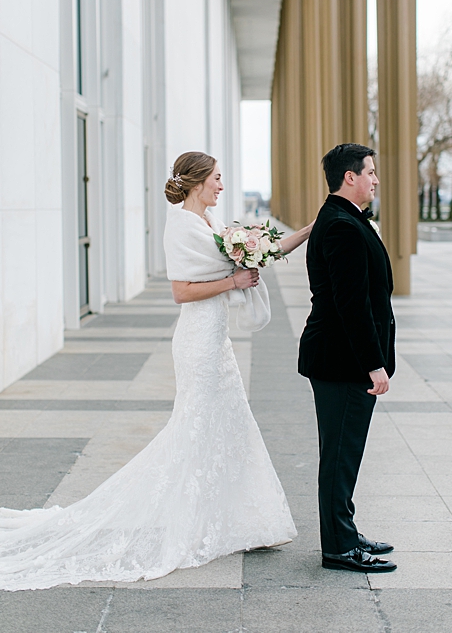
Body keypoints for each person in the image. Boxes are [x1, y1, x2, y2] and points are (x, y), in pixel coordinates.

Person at [0, 151, 311, 591]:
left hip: (215, 342)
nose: (222, 185)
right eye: (218, 179)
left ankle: (244, 522)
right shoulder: (181, 227)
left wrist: (313, 227)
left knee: (229, 424)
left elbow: (267, 250)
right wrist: (234, 281)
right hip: (197, 343)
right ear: (198, 181)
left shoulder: (211, 226)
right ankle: (192, 521)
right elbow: (182, 292)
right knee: (195, 428)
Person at [298, 144, 397, 574]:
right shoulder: (340, 226)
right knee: (339, 456)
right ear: (349, 177)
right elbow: (350, 305)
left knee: (344, 454)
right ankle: (338, 547)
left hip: (342, 358)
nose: (375, 179)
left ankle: (344, 530)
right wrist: (373, 364)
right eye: (370, 172)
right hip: (342, 361)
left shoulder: (345, 219)